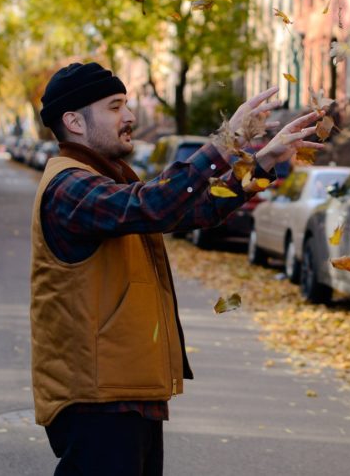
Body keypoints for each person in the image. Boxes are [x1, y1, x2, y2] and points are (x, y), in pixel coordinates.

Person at [29, 62, 321, 476]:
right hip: (97, 401)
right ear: (74, 121)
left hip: (126, 391)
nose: (129, 117)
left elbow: (194, 211)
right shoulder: (68, 186)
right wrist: (226, 141)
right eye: (115, 107)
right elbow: (154, 203)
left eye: (126, 105)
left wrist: (263, 165)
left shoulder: (104, 179)